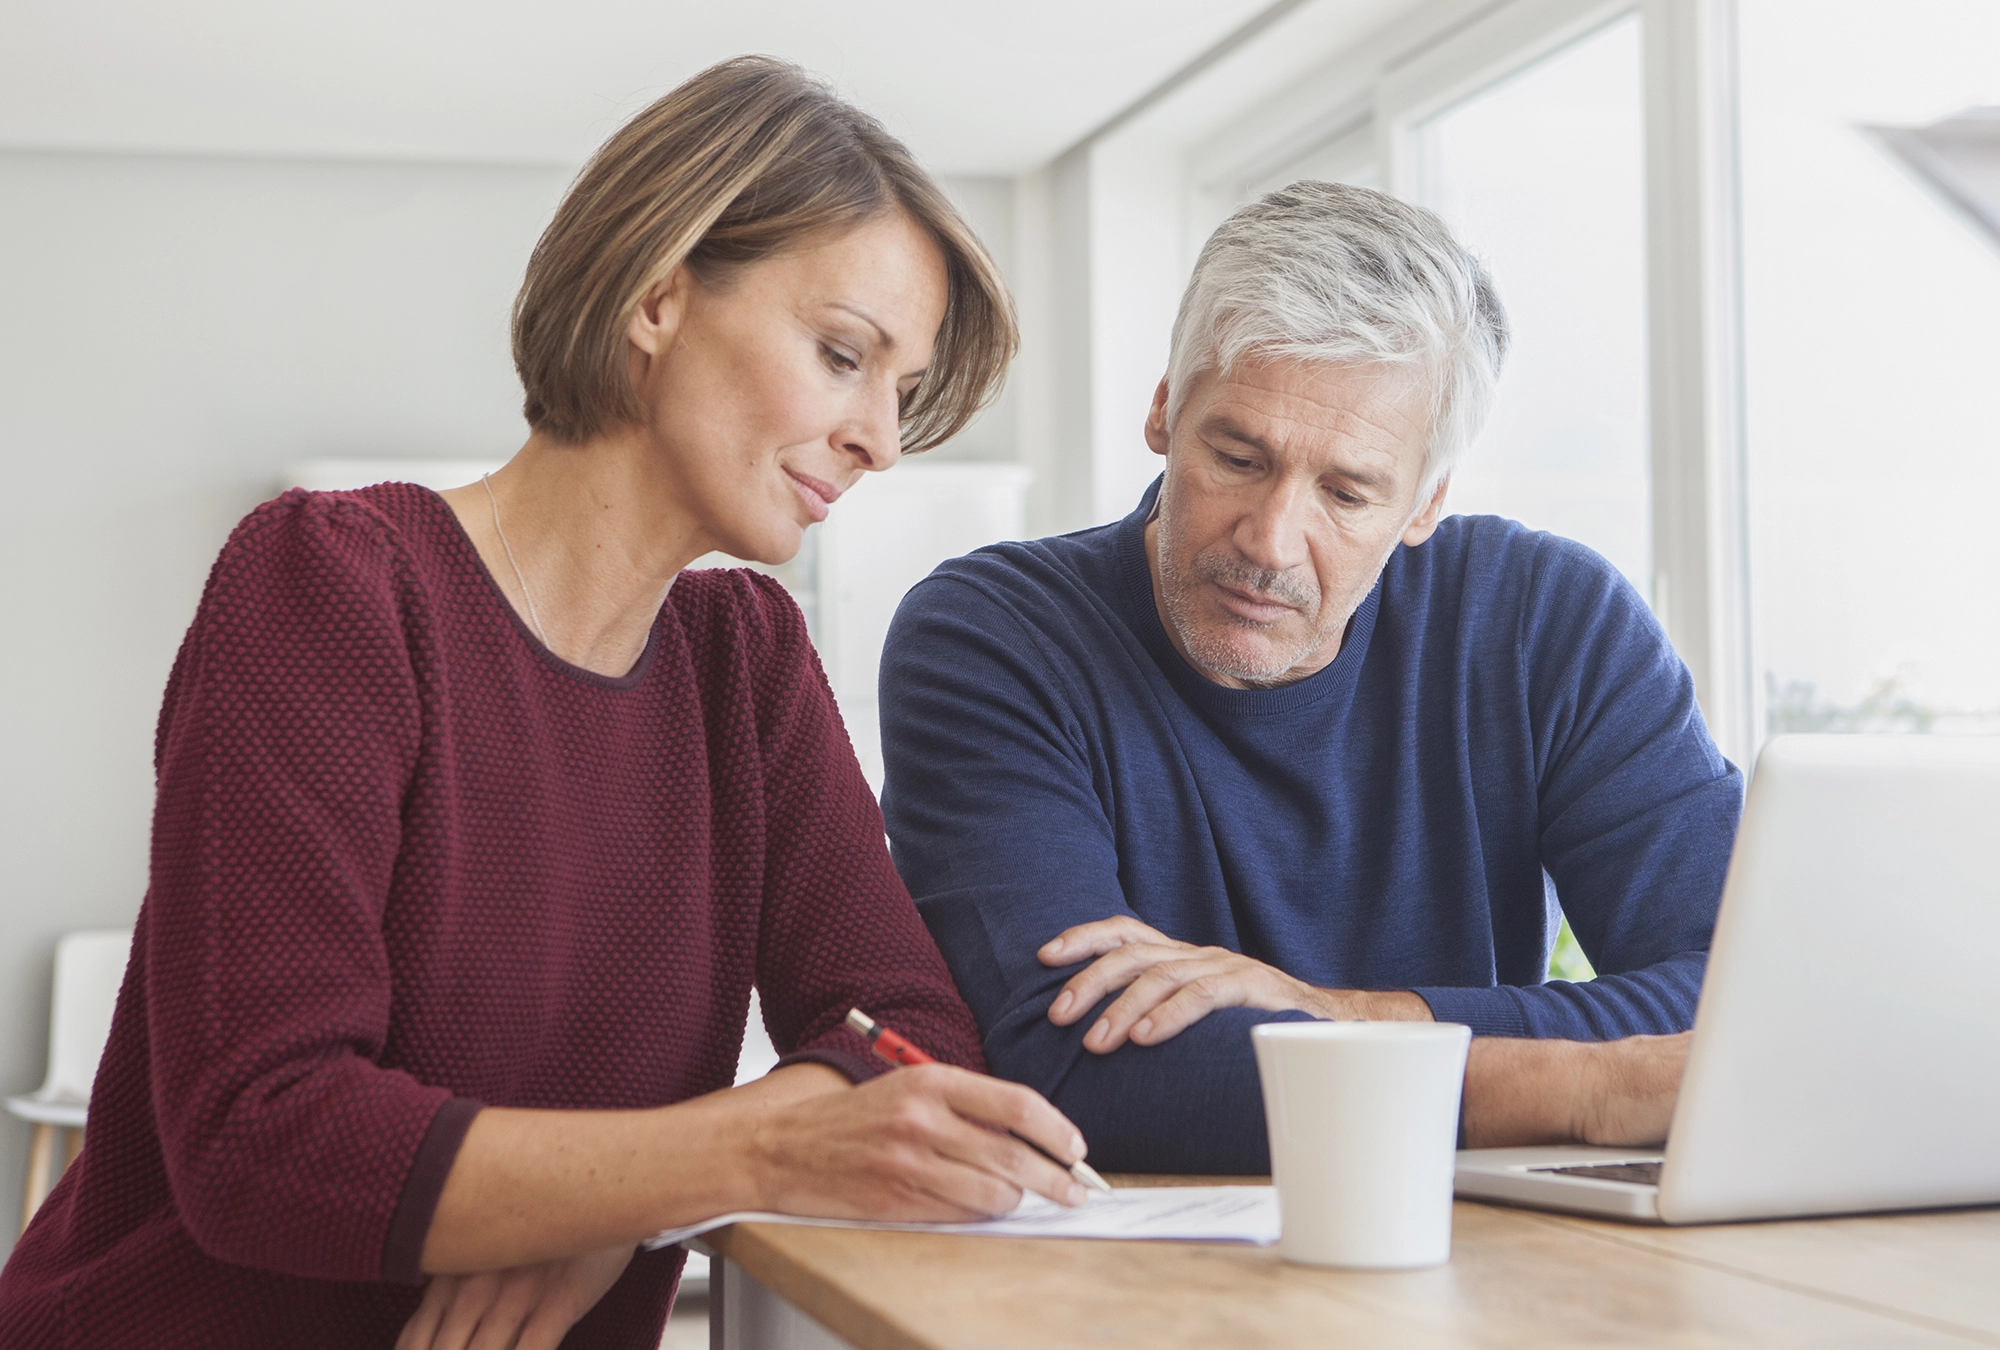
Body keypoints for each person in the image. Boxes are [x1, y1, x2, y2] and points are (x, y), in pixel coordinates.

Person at [0, 57, 1094, 1350]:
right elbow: (265, 1136)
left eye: (900, 391)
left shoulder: (742, 663)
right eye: (844, 353)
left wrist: (612, 1205)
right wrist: (723, 1155)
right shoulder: (331, 585)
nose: (883, 440)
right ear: (657, 295)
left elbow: (909, 1031)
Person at [878, 181, 1741, 1175]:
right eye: (1238, 457)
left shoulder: (1547, 622)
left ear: (1423, 503)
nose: (1270, 540)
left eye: (1345, 491)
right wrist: (1582, 1088)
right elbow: (1072, 1065)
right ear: (1164, 408)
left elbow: (1740, 998)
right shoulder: (994, 636)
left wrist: (1345, 1014)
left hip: (1473, 1253)